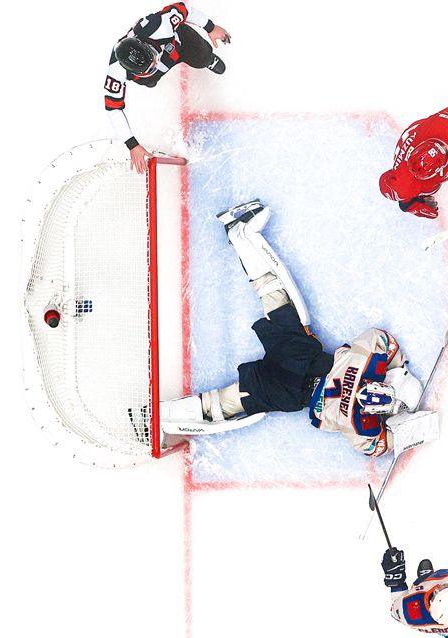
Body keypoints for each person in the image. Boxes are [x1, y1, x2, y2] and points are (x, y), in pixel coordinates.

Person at [133, 200, 424, 457]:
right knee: (225, 403)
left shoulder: (368, 363)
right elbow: (378, 447)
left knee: (275, 296)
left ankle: (240, 233)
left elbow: (382, 340)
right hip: (288, 391)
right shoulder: (360, 425)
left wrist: (393, 370)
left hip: (303, 358)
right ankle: (153, 417)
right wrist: (395, 422)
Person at [104, 3, 231, 172]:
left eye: (153, 59)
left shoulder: (158, 26)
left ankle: (207, 59)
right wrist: (132, 144)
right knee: (149, 81)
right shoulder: (116, 72)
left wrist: (211, 27)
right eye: (149, 68)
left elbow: (183, 8)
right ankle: (149, 78)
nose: (156, 64)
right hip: (152, 68)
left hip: (179, 43)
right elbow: (113, 108)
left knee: (201, 55)